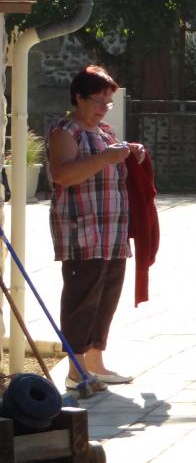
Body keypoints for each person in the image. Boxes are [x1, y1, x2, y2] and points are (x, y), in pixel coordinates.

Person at [46, 65, 144, 392]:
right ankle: (75, 371)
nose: (103, 108)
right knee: (82, 298)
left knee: (106, 298)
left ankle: (95, 363)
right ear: (78, 97)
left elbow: (113, 163)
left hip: (112, 232)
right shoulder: (65, 131)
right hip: (81, 231)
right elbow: (63, 175)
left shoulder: (104, 134)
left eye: (108, 102)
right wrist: (106, 158)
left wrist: (131, 154)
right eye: (98, 100)